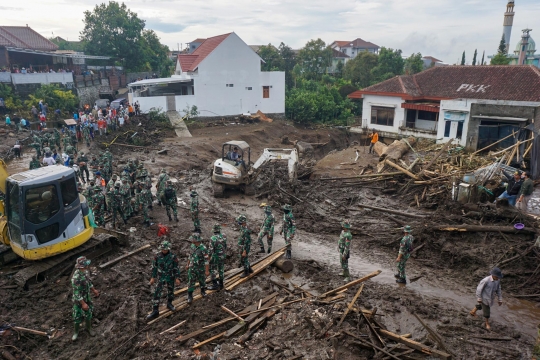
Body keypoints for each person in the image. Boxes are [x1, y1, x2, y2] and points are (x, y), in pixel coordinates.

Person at [146, 241, 181, 321]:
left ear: (168, 249)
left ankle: (169, 303)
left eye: (165, 249)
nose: (163, 251)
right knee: (157, 292)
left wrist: (177, 278)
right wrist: (153, 277)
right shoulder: (157, 256)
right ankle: (155, 310)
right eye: (162, 249)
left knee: (170, 291)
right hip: (161, 277)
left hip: (170, 276)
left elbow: (176, 268)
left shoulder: (173, 256)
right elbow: (154, 267)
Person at [71, 256, 100, 341]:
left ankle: (89, 328)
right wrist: (83, 303)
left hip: (87, 297)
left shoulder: (86, 272)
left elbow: (88, 282)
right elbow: (76, 293)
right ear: (82, 266)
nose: (88, 266)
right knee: (77, 316)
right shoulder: (75, 278)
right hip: (78, 300)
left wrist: (94, 290)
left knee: (88, 313)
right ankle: (76, 332)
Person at [186, 233, 210, 305]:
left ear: (196, 240)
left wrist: (206, 270)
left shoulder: (203, 248)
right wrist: (187, 264)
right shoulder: (192, 246)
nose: (191, 241)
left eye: (193, 239)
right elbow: (190, 256)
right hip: (192, 267)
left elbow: (206, 260)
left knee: (202, 280)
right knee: (191, 281)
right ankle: (190, 296)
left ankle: (203, 291)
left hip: (200, 268)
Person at [207, 224, 227, 291]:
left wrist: (209, 259)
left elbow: (210, 251)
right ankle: (221, 284)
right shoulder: (224, 236)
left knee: (212, 269)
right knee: (221, 269)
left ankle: (215, 285)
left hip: (216, 256)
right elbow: (225, 245)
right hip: (223, 255)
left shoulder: (213, 238)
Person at [237, 214, 253, 278]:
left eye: (239, 221)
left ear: (243, 222)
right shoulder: (242, 227)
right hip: (242, 245)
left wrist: (245, 251)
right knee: (245, 258)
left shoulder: (246, 231)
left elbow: (247, 242)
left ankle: (246, 272)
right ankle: (250, 269)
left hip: (245, 247)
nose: (238, 222)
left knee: (244, 259)